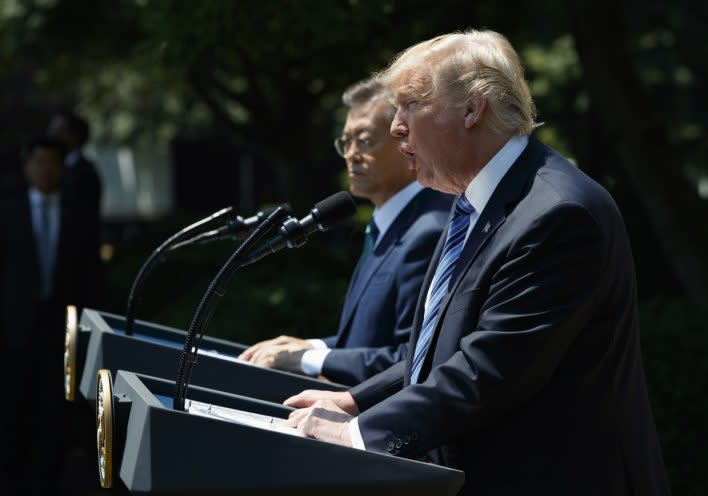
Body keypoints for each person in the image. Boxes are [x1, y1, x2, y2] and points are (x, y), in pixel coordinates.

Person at [283, 30, 670, 495]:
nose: (396, 127)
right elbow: (435, 352)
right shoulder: (472, 201)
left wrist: (358, 434)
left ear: (471, 108)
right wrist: (352, 400)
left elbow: (490, 371)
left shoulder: (559, 213)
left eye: (410, 104)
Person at [238, 78, 452, 385]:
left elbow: (414, 359)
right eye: (346, 142)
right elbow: (368, 341)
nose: (351, 154)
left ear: (407, 143)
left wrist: (308, 360)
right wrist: (313, 346)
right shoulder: (386, 223)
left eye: (364, 141)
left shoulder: (428, 232)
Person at [0, 136, 101, 494]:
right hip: (14, 330)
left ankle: (48, 482)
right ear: (27, 166)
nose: (45, 170)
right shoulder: (8, 211)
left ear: (62, 167)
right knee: (12, 411)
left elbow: (91, 278)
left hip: (62, 330)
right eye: (39, 162)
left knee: (55, 414)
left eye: (52, 162)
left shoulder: (80, 214)